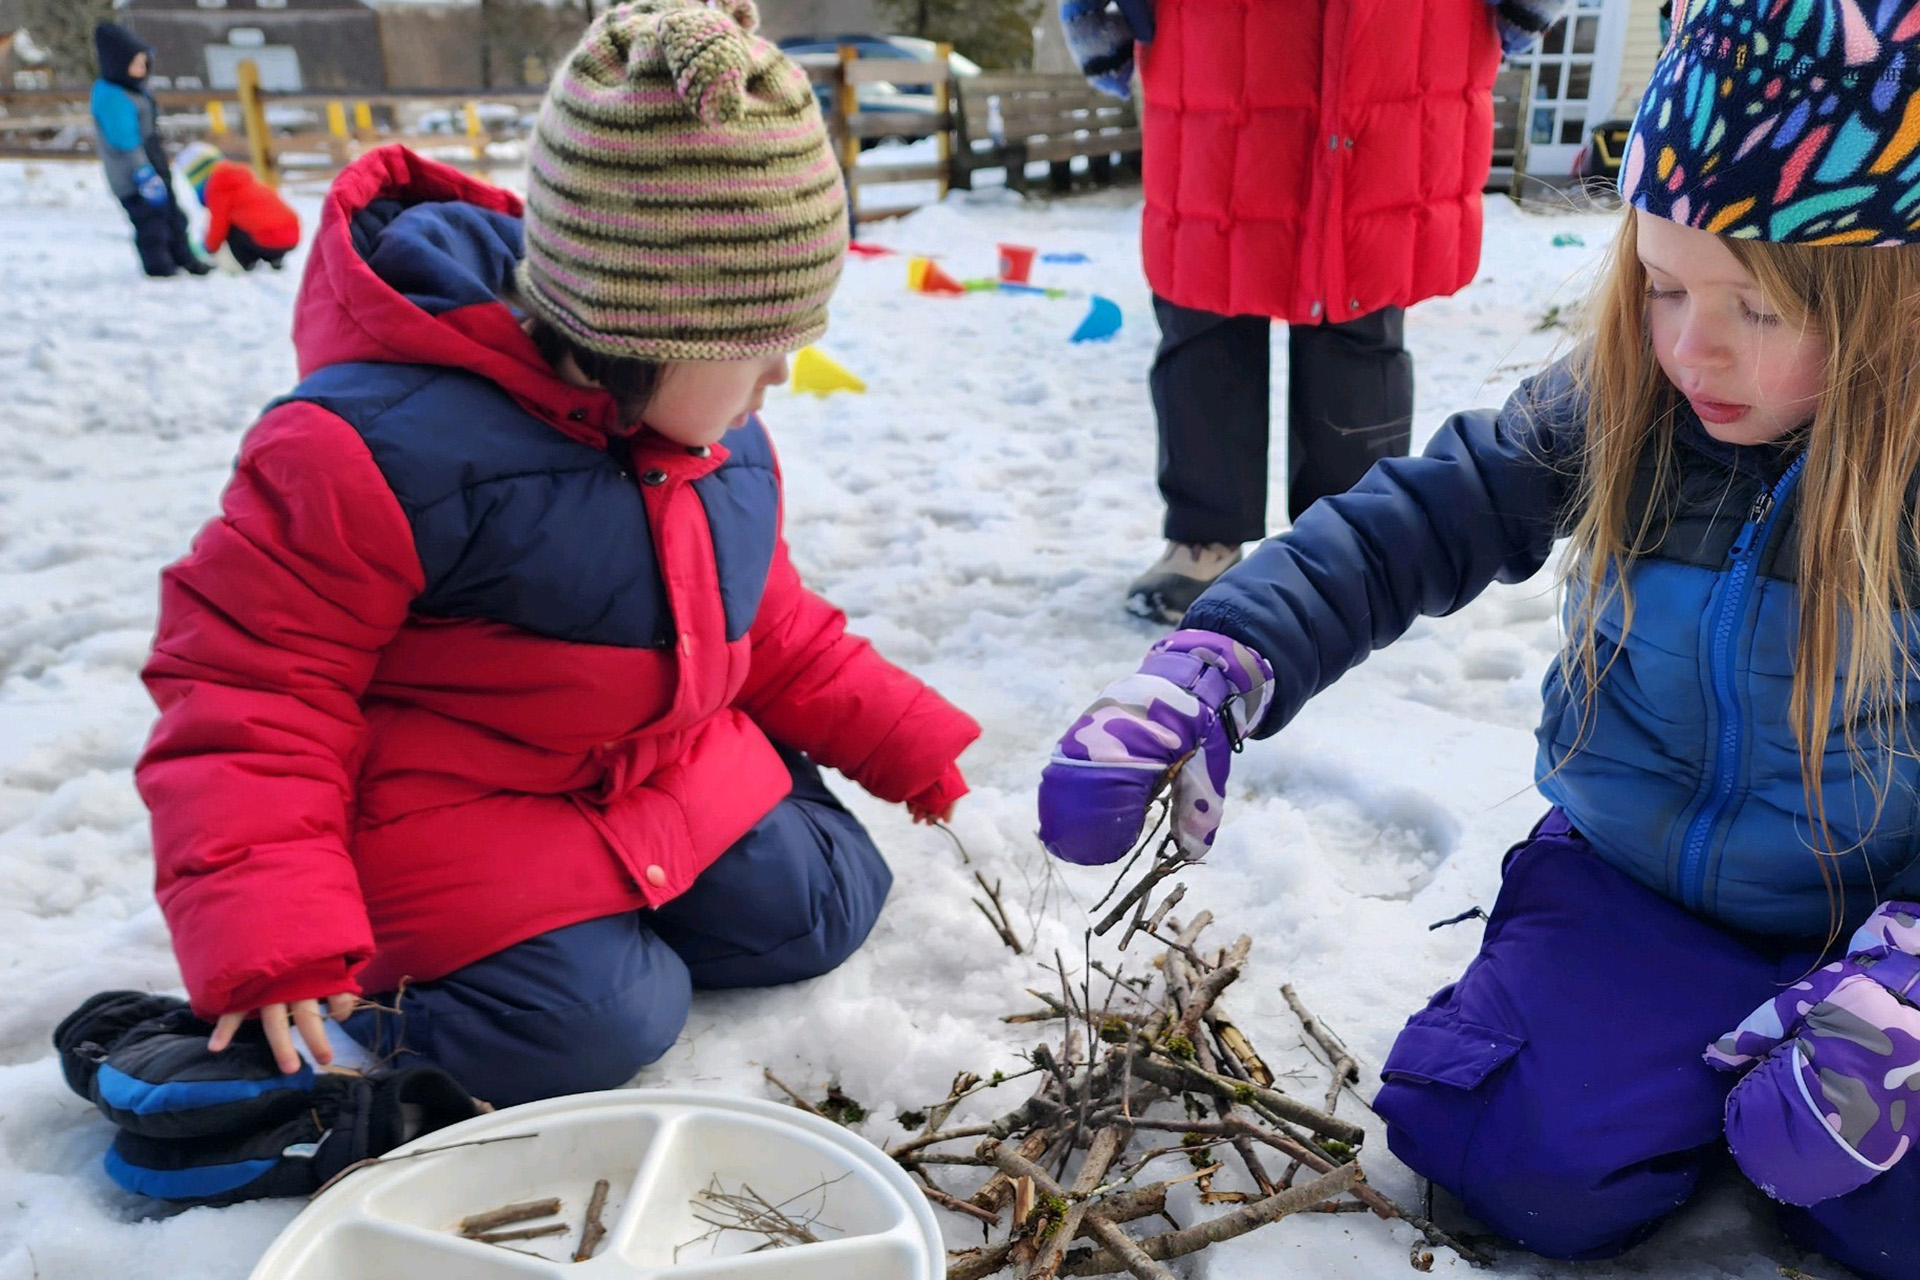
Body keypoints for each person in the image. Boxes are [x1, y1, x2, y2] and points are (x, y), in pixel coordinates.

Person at [1037, 2, 1920, 1276]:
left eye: (1762, 308)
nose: (1689, 344)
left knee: (1887, 1210)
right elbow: (1413, 522)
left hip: (1876, 918)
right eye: (1663, 283)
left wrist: (1900, 980)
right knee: (1502, 1148)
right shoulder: (1629, 396)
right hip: (1637, 886)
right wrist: (1223, 657)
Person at [55, 0, 977, 1205]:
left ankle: (648, 901)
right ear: (642, 320)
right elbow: (251, 686)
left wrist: (914, 741)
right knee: (602, 1014)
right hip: (457, 807)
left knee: (818, 901)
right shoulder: (373, 449)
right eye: (756, 341)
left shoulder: (721, 441)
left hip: (648, 767)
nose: (780, 374)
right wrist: (271, 936)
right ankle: (309, 1077)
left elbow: (771, 624)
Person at [1061, 0, 1570, 621]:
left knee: (1359, 296)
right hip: (1211, 38)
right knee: (1207, 293)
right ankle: (1204, 536)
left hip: (1403, 36)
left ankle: (1346, 545)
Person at [89, 23, 208, 280]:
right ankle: (160, 269)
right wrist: (143, 173)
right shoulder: (112, 96)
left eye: (144, 63)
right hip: (132, 174)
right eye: (136, 64)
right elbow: (124, 141)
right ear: (118, 64)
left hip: (153, 162)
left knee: (173, 214)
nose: (142, 70)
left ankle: (185, 258)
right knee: (151, 223)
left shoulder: (130, 88)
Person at [176, 141, 301, 272]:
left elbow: (218, 225)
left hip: (268, 238)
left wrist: (208, 248)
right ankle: (273, 258)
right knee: (247, 220)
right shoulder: (241, 179)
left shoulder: (218, 185)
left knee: (231, 228)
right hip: (291, 234)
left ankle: (244, 261)